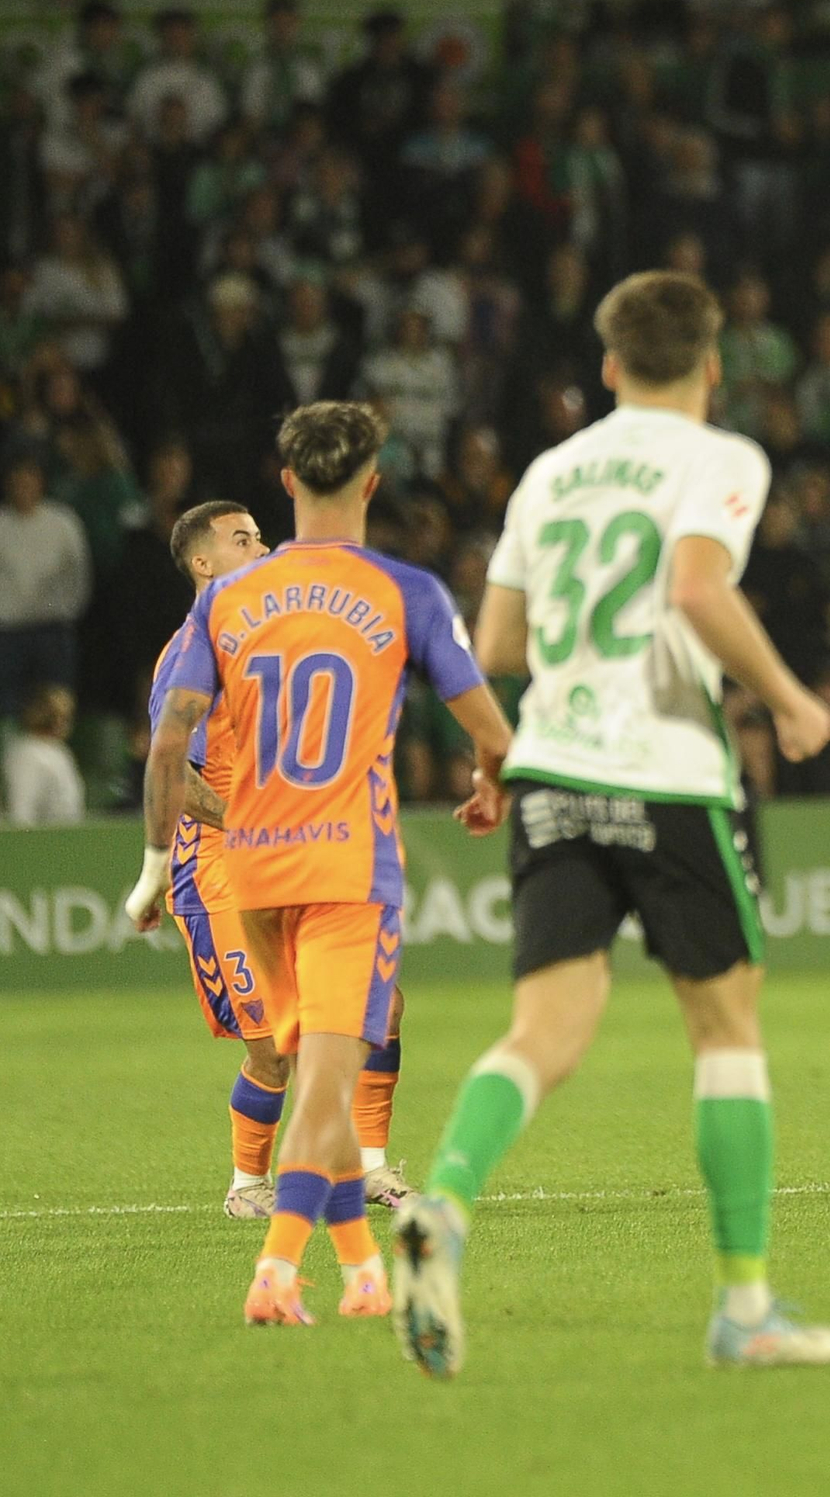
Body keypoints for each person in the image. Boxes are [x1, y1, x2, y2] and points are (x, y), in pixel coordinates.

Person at [391, 271, 830, 1378]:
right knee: (725, 1028)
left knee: (543, 1030)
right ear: (713, 363)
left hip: (550, 764)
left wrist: (535, 725)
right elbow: (695, 589)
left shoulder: (551, 470)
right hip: (668, 771)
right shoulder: (721, 457)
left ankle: (443, 1204)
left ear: (605, 365)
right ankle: (743, 1307)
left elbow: (495, 637)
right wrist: (788, 699)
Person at [142, 403, 513, 1328]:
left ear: (289, 482)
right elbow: (489, 726)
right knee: (311, 1065)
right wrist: (488, 780)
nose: (256, 543)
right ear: (374, 483)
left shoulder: (231, 612)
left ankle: (357, 1271)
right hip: (331, 860)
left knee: (326, 1055)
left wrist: (147, 867)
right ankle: (277, 1260)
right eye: (239, 538)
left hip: (262, 867)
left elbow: (164, 750)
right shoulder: (401, 591)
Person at [125, 498, 410, 1218]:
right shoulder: (190, 652)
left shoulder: (270, 642)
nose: (262, 545)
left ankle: (374, 1167)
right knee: (274, 1047)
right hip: (220, 865)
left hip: (296, 854)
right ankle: (247, 1182)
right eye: (242, 539)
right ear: (202, 562)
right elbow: (174, 776)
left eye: (260, 534)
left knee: (382, 1006)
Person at [0, 455, 93, 720]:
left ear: (40, 482)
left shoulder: (62, 522)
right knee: (10, 708)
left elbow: (78, 570)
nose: (23, 486)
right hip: (9, 632)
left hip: (53, 629)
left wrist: (69, 608)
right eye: (17, 480)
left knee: (55, 707)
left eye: (29, 479)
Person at [2, 685, 85, 826]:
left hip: (66, 836)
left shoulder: (60, 751)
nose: (63, 723)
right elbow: (21, 810)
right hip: (41, 838)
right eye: (58, 716)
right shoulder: (27, 754)